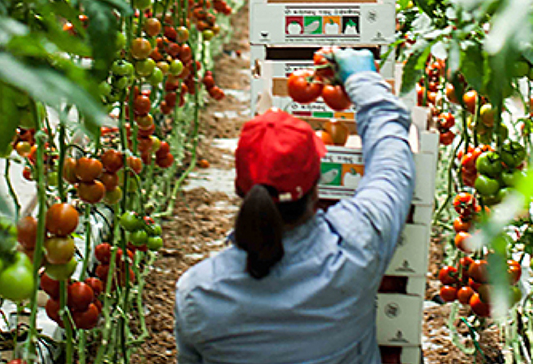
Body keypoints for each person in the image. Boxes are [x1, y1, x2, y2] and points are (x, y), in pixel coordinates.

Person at [174, 47, 416, 364]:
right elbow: (392, 166)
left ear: (238, 188)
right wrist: (363, 79)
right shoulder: (357, 247)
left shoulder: (199, 293)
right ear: (317, 188)